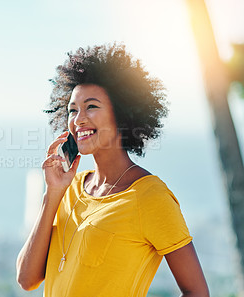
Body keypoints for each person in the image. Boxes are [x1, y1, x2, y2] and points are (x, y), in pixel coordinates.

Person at [16, 43, 209, 296]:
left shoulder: (150, 197)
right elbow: (26, 279)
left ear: (122, 114)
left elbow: (197, 291)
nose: (78, 119)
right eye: (72, 110)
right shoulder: (71, 188)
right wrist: (52, 194)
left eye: (91, 106)